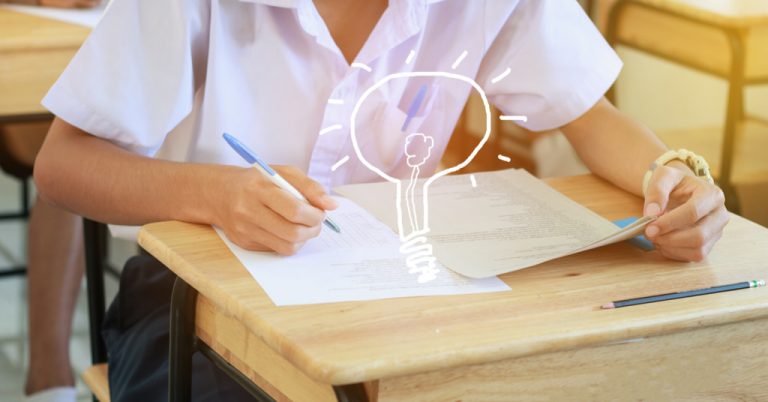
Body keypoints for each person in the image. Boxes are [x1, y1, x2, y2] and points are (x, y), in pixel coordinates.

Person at [32, 0, 729, 400]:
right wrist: (214, 194)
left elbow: (591, 116)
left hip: (396, 289)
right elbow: (63, 165)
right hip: (196, 297)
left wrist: (672, 175)